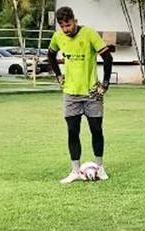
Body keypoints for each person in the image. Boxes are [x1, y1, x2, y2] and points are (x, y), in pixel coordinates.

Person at [47, 6, 113, 184]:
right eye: (63, 27)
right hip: (71, 94)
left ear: (75, 21)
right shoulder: (58, 37)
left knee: (96, 130)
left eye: (69, 25)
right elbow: (50, 55)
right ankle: (75, 171)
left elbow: (108, 58)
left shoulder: (89, 33)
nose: (67, 30)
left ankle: (100, 168)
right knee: (72, 132)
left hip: (92, 93)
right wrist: (59, 75)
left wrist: (105, 84)